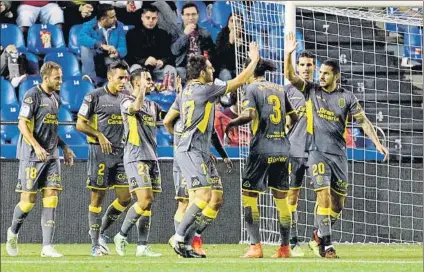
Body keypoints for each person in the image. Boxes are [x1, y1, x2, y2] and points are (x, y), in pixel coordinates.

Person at [284, 31, 389, 258]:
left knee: (337, 205)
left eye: (324, 73)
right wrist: (288, 54)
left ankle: (318, 235)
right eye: (319, 72)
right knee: (318, 195)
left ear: (336, 76)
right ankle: (321, 245)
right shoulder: (310, 90)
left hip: (338, 154)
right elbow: (290, 78)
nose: (320, 76)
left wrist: (377, 143)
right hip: (313, 152)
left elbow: (363, 121)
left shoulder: (347, 97)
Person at [170, 41, 259, 258]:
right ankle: (179, 237)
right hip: (191, 150)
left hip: (194, 149)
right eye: (210, 68)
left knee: (202, 198)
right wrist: (254, 60)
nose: (213, 71)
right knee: (203, 195)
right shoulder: (205, 89)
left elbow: (167, 121)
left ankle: (188, 245)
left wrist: (181, 138)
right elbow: (237, 82)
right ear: (202, 73)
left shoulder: (185, 92)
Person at [225, 59, 297, 259]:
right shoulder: (280, 89)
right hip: (283, 149)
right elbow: (295, 117)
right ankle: (285, 248)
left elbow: (248, 115)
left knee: (249, 195)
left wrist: (231, 123)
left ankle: (255, 246)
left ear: (251, 71)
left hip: (262, 149)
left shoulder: (252, 88)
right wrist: (283, 132)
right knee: (282, 200)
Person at [5, 61, 76, 258]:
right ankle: (13, 232)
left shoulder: (56, 99)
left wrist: (65, 147)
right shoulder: (32, 95)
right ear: (45, 78)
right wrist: (36, 147)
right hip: (32, 157)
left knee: (51, 198)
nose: (61, 81)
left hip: (51, 156)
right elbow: (22, 124)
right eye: (57, 78)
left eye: (61, 77)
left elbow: (52, 128)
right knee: (28, 202)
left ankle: (47, 246)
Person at [163, 78, 233, 257]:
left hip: (201, 155)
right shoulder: (185, 102)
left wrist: (218, 153)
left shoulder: (206, 103)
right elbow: (167, 122)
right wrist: (184, 143)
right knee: (186, 201)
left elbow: (211, 133)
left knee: (215, 199)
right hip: (186, 156)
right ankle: (184, 242)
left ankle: (191, 238)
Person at [76, 60, 131, 257]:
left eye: (126, 77)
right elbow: (80, 124)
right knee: (97, 197)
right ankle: (94, 244)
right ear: (109, 77)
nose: (124, 81)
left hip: (122, 153)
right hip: (100, 153)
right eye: (120, 78)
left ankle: (102, 233)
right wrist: (99, 135)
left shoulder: (127, 98)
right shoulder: (94, 96)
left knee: (126, 197)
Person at [113, 69, 164, 257]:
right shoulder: (126, 101)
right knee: (144, 200)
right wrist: (142, 90)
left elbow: (169, 118)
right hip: (136, 156)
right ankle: (121, 235)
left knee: (148, 205)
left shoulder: (152, 105)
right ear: (136, 83)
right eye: (147, 80)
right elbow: (134, 108)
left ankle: (142, 246)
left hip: (152, 157)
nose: (151, 83)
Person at [284, 50, 317, 257]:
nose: (305, 68)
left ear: (315, 67)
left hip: (317, 151)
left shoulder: (321, 90)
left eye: (309, 65)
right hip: (294, 151)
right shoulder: (287, 91)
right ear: (297, 67)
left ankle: (319, 238)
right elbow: (284, 122)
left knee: (325, 196)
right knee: (292, 196)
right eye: (302, 64)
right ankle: (293, 241)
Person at [79, 3, 127, 87]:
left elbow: (123, 47)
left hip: (110, 59)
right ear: (103, 19)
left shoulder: (119, 26)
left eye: (115, 16)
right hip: (95, 58)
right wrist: (100, 45)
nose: (115, 19)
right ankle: (91, 81)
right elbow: (81, 38)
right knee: (85, 47)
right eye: (112, 17)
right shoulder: (89, 25)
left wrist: (117, 52)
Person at [126, 5, 176, 84]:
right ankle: (138, 95)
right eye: (148, 18)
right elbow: (129, 56)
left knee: (170, 69)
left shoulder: (163, 34)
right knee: (135, 69)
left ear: (157, 19)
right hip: (141, 68)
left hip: (158, 69)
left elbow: (169, 55)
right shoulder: (132, 34)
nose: (150, 21)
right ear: (142, 18)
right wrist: (144, 61)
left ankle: (169, 93)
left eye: (154, 18)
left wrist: (163, 61)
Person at [171, 2, 215, 82]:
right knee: (180, 72)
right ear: (182, 16)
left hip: (200, 66)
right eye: (187, 15)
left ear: (198, 15)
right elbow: (174, 51)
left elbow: (211, 52)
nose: (191, 17)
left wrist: (207, 60)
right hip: (183, 66)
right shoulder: (175, 31)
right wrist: (185, 34)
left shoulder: (205, 33)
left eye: (193, 14)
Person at [215, 13, 247, 81]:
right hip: (225, 69)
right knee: (226, 75)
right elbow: (219, 57)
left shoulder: (247, 38)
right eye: (232, 21)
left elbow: (248, 58)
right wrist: (230, 42)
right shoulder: (221, 36)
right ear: (228, 23)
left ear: (242, 25)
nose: (234, 24)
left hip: (241, 69)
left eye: (238, 21)